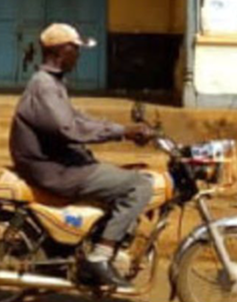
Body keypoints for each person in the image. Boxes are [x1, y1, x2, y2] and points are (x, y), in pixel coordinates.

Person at [9, 22, 154, 289]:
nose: (79, 55)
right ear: (62, 50)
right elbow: (69, 128)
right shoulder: (45, 86)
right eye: (76, 49)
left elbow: (77, 118)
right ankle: (100, 256)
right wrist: (122, 131)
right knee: (139, 185)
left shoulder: (52, 83)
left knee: (120, 174)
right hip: (52, 169)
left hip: (58, 162)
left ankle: (85, 245)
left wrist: (120, 129)